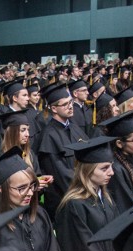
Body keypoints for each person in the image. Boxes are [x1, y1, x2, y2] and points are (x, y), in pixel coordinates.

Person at [36, 83, 88, 219]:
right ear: (54, 108)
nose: (70, 106)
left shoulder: (74, 127)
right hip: (66, 199)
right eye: (65, 104)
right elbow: (61, 174)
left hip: (84, 191)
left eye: (70, 102)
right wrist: (84, 187)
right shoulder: (48, 136)